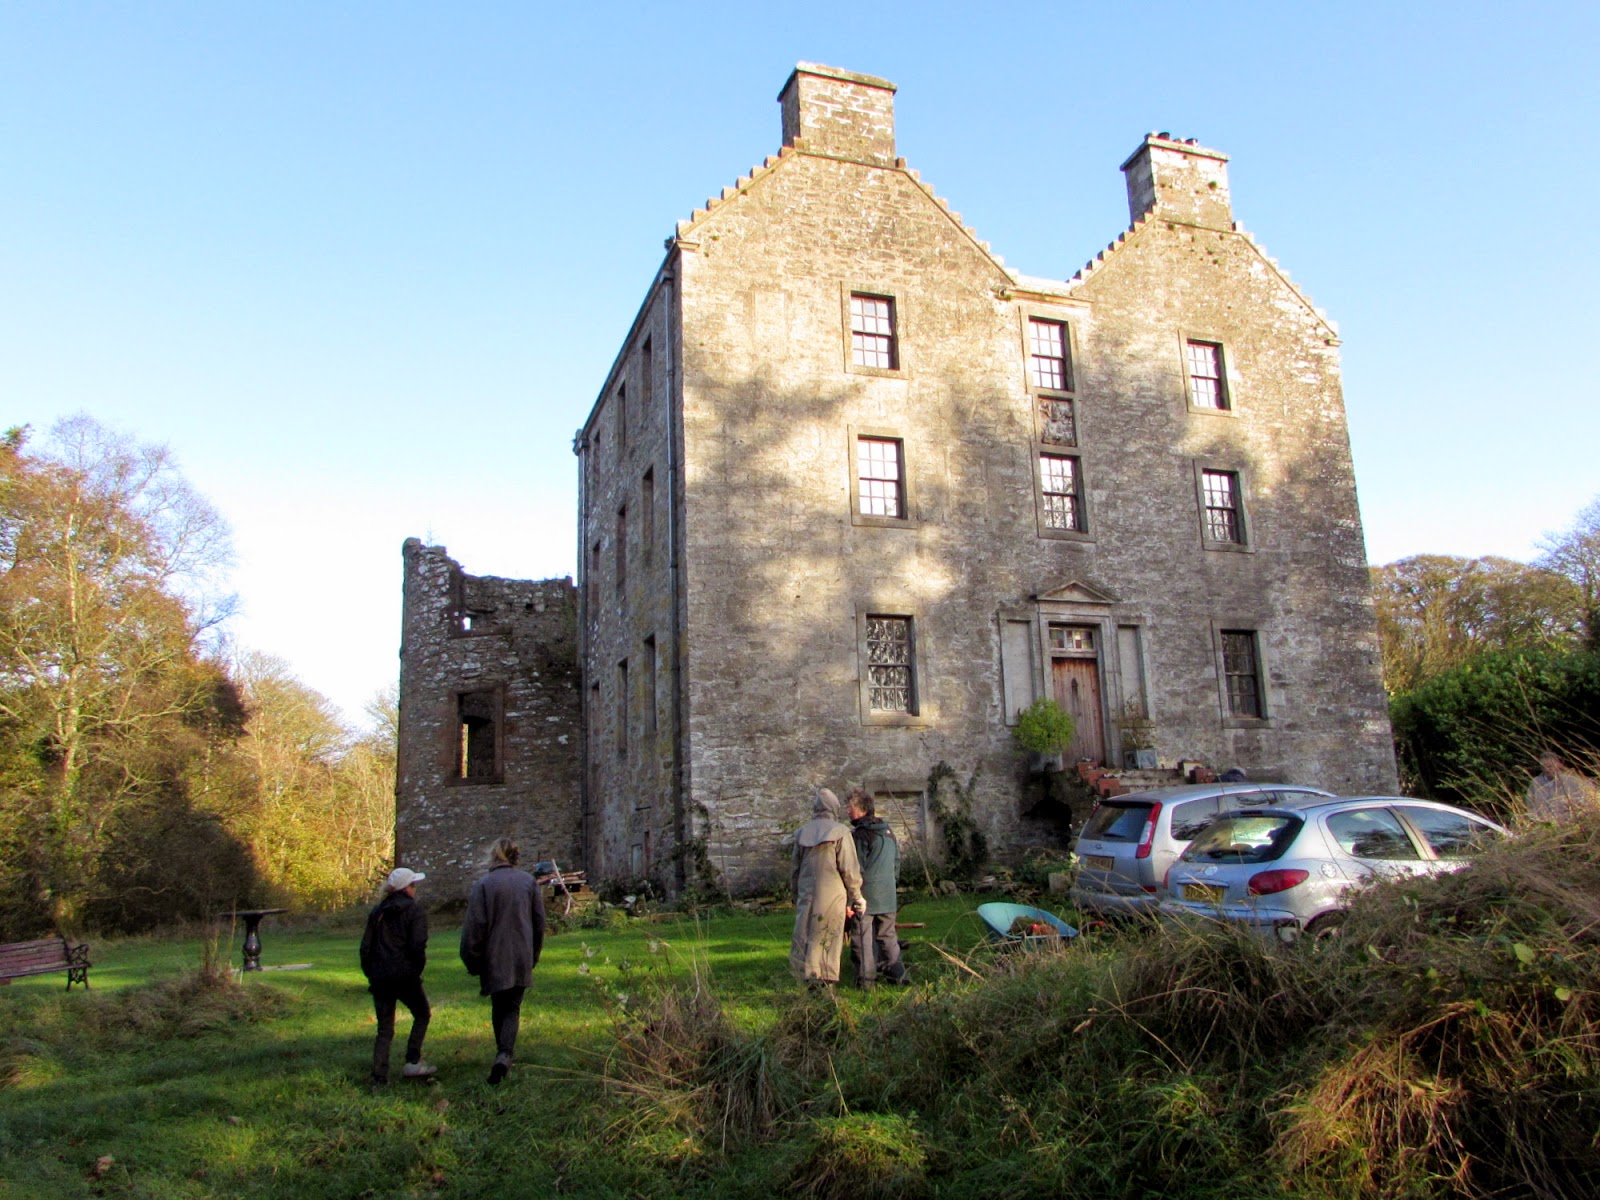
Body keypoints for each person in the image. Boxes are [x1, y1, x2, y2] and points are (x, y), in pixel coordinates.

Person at [460, 837, 546, 1085]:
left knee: (500, 1005)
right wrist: (533, 954)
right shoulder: (528, 883)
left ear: (494, 856)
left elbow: (474, 927)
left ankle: (503, 1053)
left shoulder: (484, 885)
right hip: (521, 954)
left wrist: (472, 959)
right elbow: (539, 924)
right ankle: (504, 1053)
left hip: (494, 956)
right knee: (512, 1007)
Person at [360, 866, 437, 1085]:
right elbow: (417, 945)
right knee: (422, 1013)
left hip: (380, 976)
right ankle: (413, 1061)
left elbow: (365, 947)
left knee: (385, 1027)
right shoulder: (414, 911)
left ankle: (379, 1075)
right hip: (404, 975)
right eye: (413, 885)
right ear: (407, 888)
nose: (415, 889)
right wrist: (415, 970)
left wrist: (371, 972)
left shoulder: (378, 912)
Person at [789, 788, 865, 990]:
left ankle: (807, 980)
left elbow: (795, 870)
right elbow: (849, 870)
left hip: (808, 894)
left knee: (806, 935)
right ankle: (825, 982)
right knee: (827, 937)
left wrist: (796, 894)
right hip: (832, 897)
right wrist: (858, 897)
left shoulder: (802, 833)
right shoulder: (841, 832)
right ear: (834, 807)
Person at [846, 788, 908, 989]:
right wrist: (891, 884)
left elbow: (856, 870)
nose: (848, 811)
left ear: (862, 809)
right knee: (888, 937)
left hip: (866, 897)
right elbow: (896, 863)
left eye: (850, 807)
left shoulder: (861, 835)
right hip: (888, 895)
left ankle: (866, 983)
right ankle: (898, 977)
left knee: (863, 940)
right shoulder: (888, 832)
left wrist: (850, 901)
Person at [1526, 752, 1599, 823]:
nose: (1547, 769)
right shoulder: (1535, 783)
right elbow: (1530, 806)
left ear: (1558, 765)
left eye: (1550, 766)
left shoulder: (1571, 781)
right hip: (1545, 826)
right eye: (1544, 766)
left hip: (1569, 824)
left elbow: (1585, 800)